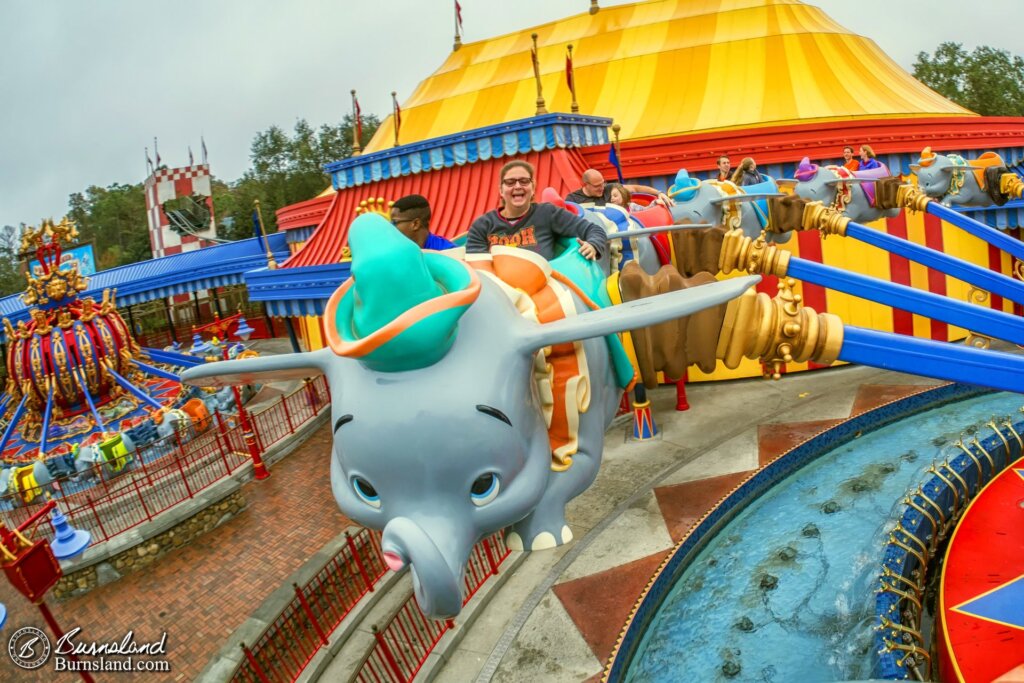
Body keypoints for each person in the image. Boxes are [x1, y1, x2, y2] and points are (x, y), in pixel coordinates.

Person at [467, 160, 607, 261]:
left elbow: (594, 230)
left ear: (533, 188)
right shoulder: (482, 226)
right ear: (501, 190)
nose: (517, 186)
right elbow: (476, 267)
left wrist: (593, 244)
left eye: (524, 181)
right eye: (510, 182)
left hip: (541, 289)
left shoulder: (547, 213)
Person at [564, 168, 673, 207]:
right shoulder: (573, 199)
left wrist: (659, 193)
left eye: (603, 183)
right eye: (597, 186)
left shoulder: (609, 188)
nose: (602, 187)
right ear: (585, 184)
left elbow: (635, 188)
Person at [390, 194, 455, 250]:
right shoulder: (395, 251)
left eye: (394, 222)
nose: (390, 226)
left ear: (415, 224)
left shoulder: (448, 253)